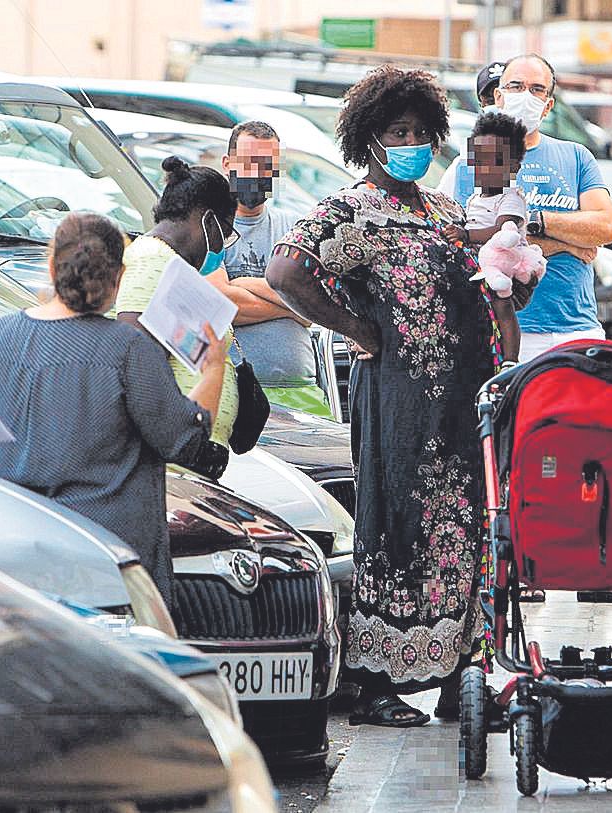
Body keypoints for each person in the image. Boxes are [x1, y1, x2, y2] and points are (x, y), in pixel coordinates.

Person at [267, 65, 502, 728]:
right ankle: (375, 686)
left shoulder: (445, 212)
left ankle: (463, 676)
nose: (414, 143)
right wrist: (355, 329)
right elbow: (287, 269)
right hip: (399, 404)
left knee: (466, 533)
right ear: (370, 138)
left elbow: (485, 286)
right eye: (400, 131)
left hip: (462, 409)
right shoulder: (351, 210)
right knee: (394, 529)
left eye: (424, 133)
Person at [0, 212, 224, 607]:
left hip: (24, 560)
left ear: (52, 264)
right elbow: (184, 440)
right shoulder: (127, 350)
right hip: (113, 563)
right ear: (117, 280)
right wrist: (214, 368)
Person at [116, 158, 239, 480]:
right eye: (226, 232)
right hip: (171, 459)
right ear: (208, 220)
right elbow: (136, 367)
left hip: (187, 451)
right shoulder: (153, 264)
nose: (223, 245)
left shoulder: (168, 265)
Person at [492, 53, 612, 362]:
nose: (525, 96)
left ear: (548, 105)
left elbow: (605, 227)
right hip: (510, 330)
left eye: (537, 89)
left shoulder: (576, 156)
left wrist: (535, 223)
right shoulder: (484, 158)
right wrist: (570, 245)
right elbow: (487, 240)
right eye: (516, 86)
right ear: (499, 96)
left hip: (577, 328)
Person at [208, 121, 332, 418]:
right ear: (228, 164)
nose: (257, 173)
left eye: (267, 165)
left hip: (302, 394)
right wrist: (294, 307)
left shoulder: (295, 226)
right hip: (230, 390)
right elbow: (219, 306)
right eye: (249, 162)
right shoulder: (208, 228)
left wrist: (242, 284)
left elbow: (321, 302)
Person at [443, 111, 539, 364]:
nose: (485, 168)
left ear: (514, 167)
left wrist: (466, 235)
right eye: (479, 159)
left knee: (502, 305)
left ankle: (510, 358)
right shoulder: (476, 197)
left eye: (496, 161)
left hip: (503, 265)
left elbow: (502, 228)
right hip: (482, 264)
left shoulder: (511, 197)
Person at [437, 60, 506, 207]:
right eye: (490, 100)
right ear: (481, 105)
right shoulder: (463, 164)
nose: (497, 105)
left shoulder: (547, 157)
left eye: (502, 96)